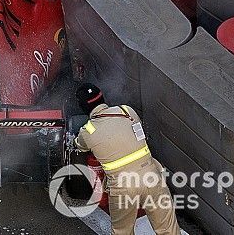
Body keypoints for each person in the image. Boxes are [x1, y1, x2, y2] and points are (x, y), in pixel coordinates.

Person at [74, 83, 181, 235]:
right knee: (168, 230)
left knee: (122, 232)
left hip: (122, 187)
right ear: (102, 97)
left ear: (83, 107)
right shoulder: (127, 111)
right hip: (152, 176)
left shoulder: (87, 131)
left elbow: (80, 145)